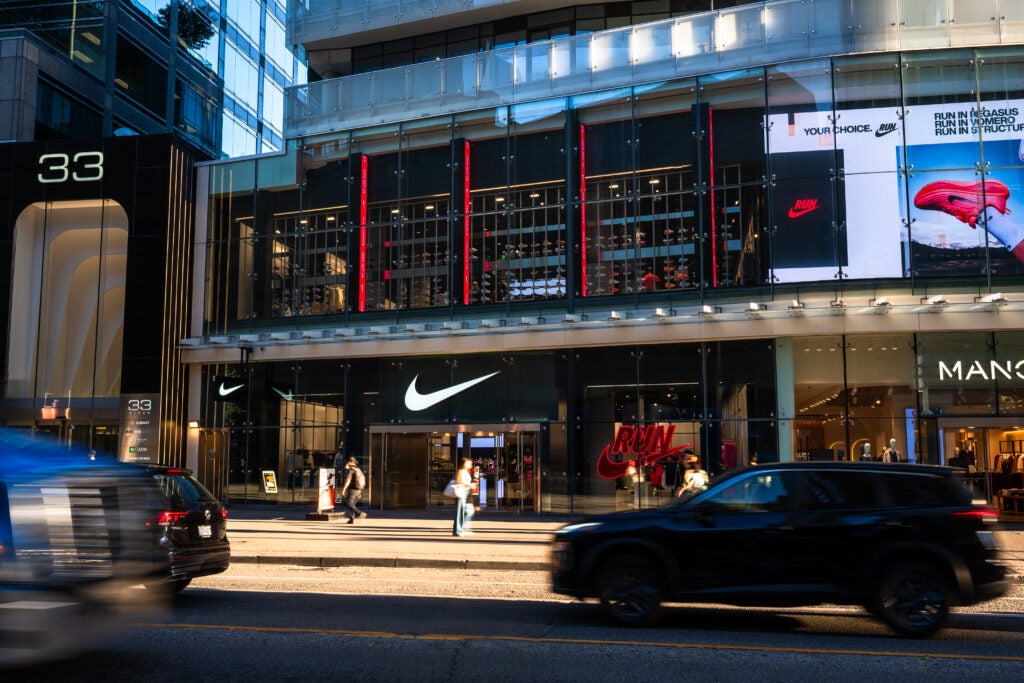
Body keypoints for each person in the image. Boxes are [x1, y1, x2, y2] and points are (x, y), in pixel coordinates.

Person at [453, 457, 477, 537]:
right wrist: (469, 485)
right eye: (468, 463)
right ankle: (458, 531)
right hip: (460, 492)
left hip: (465, 492)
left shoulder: (467, 472)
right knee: (459, 512)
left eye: (470, 463)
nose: (470, 464)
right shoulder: (461, 471)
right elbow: (458, 481)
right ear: (463, 464)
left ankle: (458, 530)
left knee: (461, 512)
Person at [339, 456, 367, 524]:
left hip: (353, 490)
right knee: (352, 505)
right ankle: (351, 519)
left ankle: (359, 513)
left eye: (347, 462)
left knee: (347, 502)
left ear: (351, 462)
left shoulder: (351, 470)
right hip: (358, 490)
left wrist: (344, 489)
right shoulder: (358, 469)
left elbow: (348, 480)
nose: (347, 463)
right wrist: (360, 492)